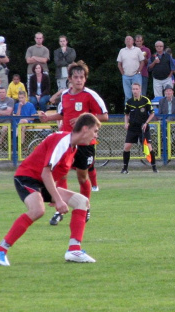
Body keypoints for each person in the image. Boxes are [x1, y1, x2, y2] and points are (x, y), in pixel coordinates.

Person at [0, 113, 101, 266]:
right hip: (27, 177)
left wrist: (54, 195)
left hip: (42, 182)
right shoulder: (62, 141)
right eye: (95, 131)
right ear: (85, 129)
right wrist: (59, 200)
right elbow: (45, 172)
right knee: (37, 210)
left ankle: (74, 250)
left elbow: (52, 175)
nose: (96, 135)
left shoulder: (72, 148)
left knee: (82, 201)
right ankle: (0, 250)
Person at [38, 61, 109, 226]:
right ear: (69, 79)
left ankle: (85, 207)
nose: (79, 80)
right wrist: (48, 118)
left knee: (82, 177)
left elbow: (105, 116)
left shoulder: (90, 95)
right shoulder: (65, 95)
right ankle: (59, 210)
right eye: (76, 77)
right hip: (66, 142)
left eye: (82, 77)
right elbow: (63, 114)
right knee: (61, 175)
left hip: (85, 143)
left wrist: (84, 117)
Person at [122, 82, 157, 174]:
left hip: (143, 127)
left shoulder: (145, 100)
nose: (135, 91)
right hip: (132, 128)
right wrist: (126, 123)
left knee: (149, 147)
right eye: (133, 89)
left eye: (136, 89)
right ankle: (125, 168)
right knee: (127, 147)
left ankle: (154, 168)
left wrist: (146, 123)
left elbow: (152, 113)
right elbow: (126, 114)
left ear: (140, 90)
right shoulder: (129, 102)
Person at [117, 36, 145, 104]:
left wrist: (138, 71)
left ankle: (139, 111)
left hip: (136, 75)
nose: (128, 40)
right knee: (127, 95)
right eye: (126, 39)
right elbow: (119, 64)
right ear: (124, 42)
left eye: (130, 39)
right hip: (126, 76)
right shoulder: (122, 51)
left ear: (133, 41)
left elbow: (142, 62)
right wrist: (122, 73)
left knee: (138, 94)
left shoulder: (137, 50)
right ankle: (128, 112)